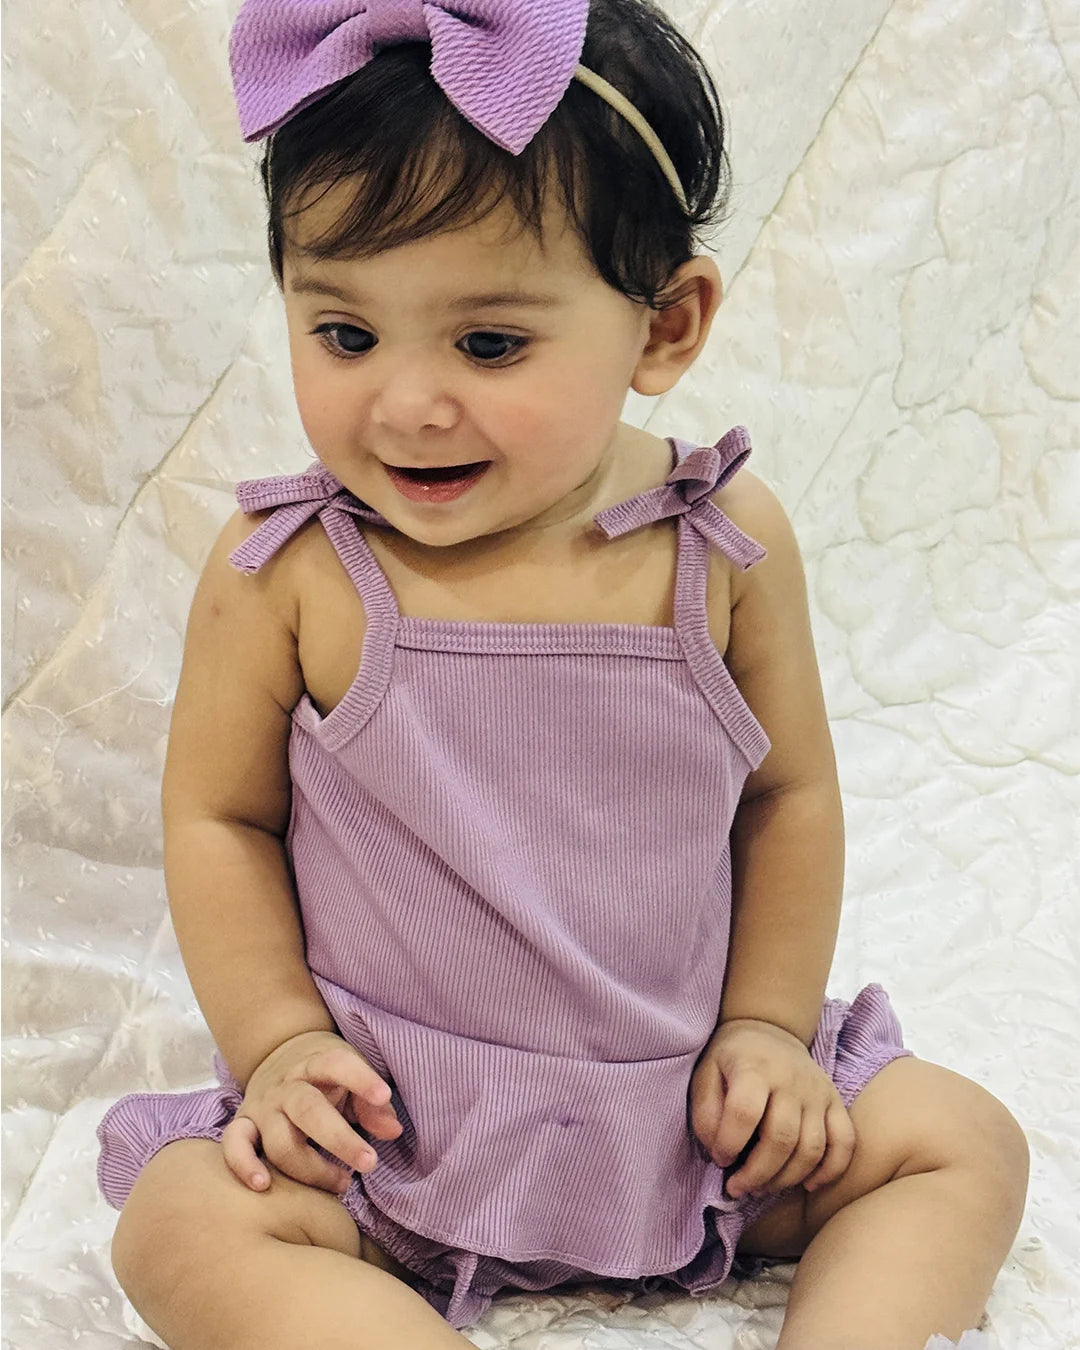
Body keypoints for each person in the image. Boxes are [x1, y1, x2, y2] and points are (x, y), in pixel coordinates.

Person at [96, 2, 1029, 1347]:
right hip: (394, 1128)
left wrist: (767, 1031)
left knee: (961, 1140)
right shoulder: (288, 570)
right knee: (181, 1222)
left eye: (488, 345)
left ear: (665, 326)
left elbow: (790, 800)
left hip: (689, 1113)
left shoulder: (724, 547)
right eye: (345, 334)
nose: (407, 402)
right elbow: (218, 819)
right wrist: (283, 1042)